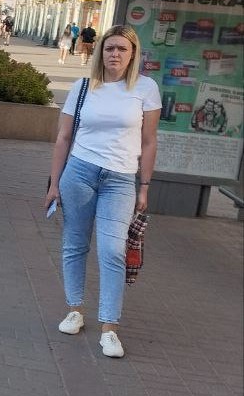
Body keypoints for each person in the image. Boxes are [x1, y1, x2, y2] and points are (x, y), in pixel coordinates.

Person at [45, 24, 161, 359]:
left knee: (112, 250)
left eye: (122, 49)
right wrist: (54, 183)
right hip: (79, 172)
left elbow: (150, 141)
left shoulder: (145, 88)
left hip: (121, 179)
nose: (115, 54)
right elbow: (63, 138)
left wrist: (145, 186)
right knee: (75, 244)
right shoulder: (83, 86)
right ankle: (74, 310)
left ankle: (109, 328)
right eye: (109, 48)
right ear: (100, 52)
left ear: (133, 54)